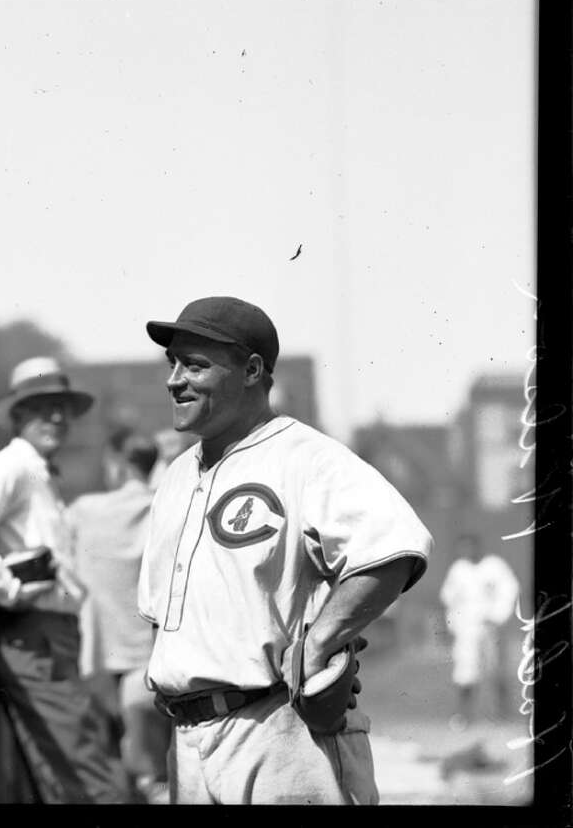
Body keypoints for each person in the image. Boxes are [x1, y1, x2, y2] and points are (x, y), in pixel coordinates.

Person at [138, 296, 433, 805]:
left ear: (252, 370)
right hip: (187, 738)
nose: (175, 379)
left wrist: (321, 640)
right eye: (174, 363)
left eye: (196, 365)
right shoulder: (176, 476)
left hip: (279, 730)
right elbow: (159, 617)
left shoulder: (305, 458)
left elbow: (395, 548)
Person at [0, 356, 132, 804]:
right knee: (86, 768)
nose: (57, 418)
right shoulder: (13, 466)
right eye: (42, 407)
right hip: (31, 633)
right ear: (18, 415)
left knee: (69, 765)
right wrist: (9, 587)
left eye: (62, 407)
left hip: (52, 634)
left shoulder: (40, 471)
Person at [69, 429, 171, 804]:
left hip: (102, 671)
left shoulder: (86, 511)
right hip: (160, 667)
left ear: (116, 464)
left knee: (136, 784)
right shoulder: (167, 504)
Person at [439, 532, 520, 728]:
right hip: (467, 627)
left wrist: (498, 616)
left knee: (495, 670)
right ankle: (464, 716)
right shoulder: (458, 569)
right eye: (463, 547)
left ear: (478, 546)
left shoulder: (494, 566)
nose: (467, 551)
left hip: (490, 625)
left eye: (470, 546)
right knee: (465, 671)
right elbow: (448, 599)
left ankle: (500, 714)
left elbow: (510, 590)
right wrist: (452, 624)